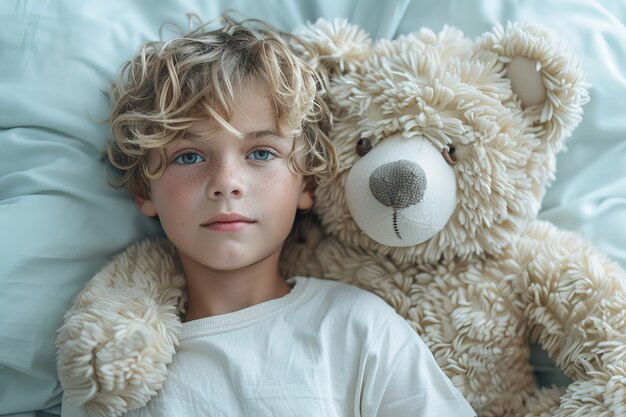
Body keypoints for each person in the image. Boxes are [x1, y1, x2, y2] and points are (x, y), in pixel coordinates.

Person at [63, 16, 476, 417]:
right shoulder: (110, 373)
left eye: (261, 153)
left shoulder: (358, 330)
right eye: (189, 156)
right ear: (143, 190)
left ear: (307, 185)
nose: (226, 183)